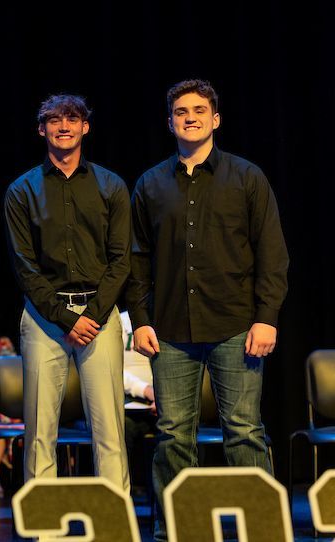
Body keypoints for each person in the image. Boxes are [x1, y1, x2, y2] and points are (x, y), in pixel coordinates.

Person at [126, 79, 288, 541]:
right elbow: (137, 259)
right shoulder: (151, 184)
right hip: (172, 329)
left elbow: (272, 253)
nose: (191, 117)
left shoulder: (247, 177)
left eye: (200, 110)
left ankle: (262, 530)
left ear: (215, 119)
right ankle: (178, 530)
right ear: (170, 122)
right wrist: (140, 320)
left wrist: (267, 316)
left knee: (244, 432)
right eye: (181, 111)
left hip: (237, 326)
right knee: (175, 435)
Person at [2, 94, 131, 492]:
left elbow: (121, 259)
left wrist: (89, 315)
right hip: (44, 319)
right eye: (54, 120)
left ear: (84, 127)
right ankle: (44, 529)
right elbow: (24, 267)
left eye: (72, 119)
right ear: (41, 129)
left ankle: (116, 526)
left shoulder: (111, 185)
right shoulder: (22, 190)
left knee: (109, 430)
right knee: (41, 432)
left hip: (99, 314)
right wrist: (65, 319)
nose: (63, 126)